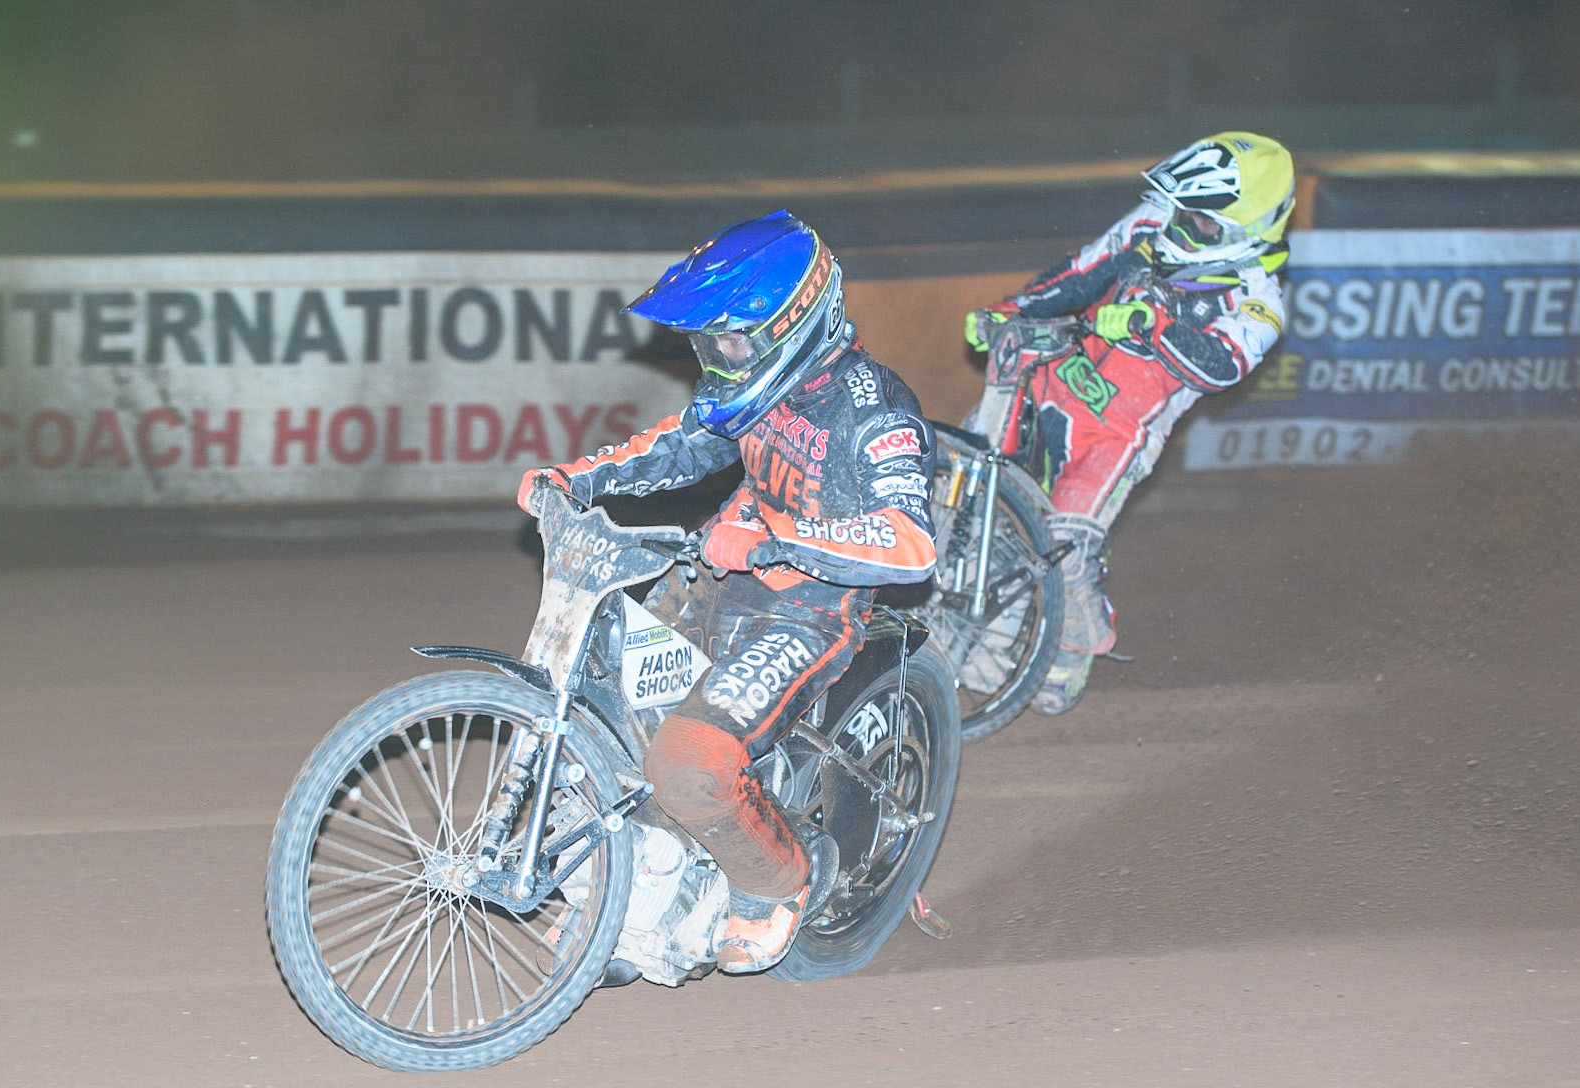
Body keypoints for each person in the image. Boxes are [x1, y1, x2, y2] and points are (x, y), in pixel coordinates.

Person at [518, 210, 937, 973]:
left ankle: (775, 883)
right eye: (707, 341)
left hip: (808, 610)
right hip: (715, 584)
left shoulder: (874, 410)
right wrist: (574, 479)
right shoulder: (752, 393)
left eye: (731, 341)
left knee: (689, 762)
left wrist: (777, 539)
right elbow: (679, 444)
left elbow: (911, 545)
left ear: (794, 322)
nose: (716, 356)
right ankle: (633, 898)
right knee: (609, 716)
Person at [964, 131, 1295, 715]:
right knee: (968, 489)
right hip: (1053, 379)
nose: (1181, 227)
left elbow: (1221, 366)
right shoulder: (1154, 221)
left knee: (1061, 546)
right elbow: (1083, 271)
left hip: (1118, 435)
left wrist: (1150, 326)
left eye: (1203, 223)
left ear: (1253, 229)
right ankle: (942, 636)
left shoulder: (1258, 300)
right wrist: (1011, 310)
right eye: (1182, 210)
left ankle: (1070, 650)